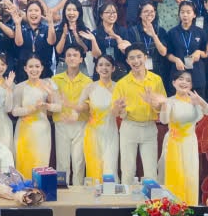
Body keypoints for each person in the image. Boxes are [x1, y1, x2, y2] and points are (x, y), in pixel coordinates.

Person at [112, 45, 166, 184]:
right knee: (128, 170)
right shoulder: (122, 83)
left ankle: (150, 198)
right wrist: (119, 108)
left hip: (149, 128)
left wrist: (155, 103)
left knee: (151, 171)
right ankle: (126, 198)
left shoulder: (156, 80)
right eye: (132, 58)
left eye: (139, 57)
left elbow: (163, 106)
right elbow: (115, 112)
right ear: (127, 61)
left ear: (145, 58)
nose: (136, 61)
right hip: (129, 127)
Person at [159, 70, 208, 205]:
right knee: (174, 174)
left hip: (190, 142)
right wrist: (164, 105)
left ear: (191, 85)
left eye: (188, 80)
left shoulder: (194, 100)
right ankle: (171, 208)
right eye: (181, 79)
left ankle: (190, 207)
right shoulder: (169, 101)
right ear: (174, 82)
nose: (184, 82)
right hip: (173, 142)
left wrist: (200, 101)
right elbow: (164, 120)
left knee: (190, 175)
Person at [51, 45, 92, 184]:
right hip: (61, 123)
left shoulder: (88, 81)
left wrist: (74, 109)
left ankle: (78, 191)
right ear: (65, 59)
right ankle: (61, 190)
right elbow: (53, 102)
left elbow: (88, 105)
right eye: (68, 55)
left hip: (80, 124)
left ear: (81, 59)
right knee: (62, 162)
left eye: (75, 55)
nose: (72, 58)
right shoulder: (56, 79)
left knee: (78, 161)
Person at [84, 55, 122, 184]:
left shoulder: (119, 87)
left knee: (110, 167)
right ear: (96, 68)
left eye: (107, 65)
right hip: (93, 132)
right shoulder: (90, 87)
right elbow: (80, 106)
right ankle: (93, 195)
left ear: (113, 68)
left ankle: (110, 195)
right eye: (100, 65)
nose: (104, 68)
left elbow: (120, 112)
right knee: (94, 167)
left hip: (110, 131)